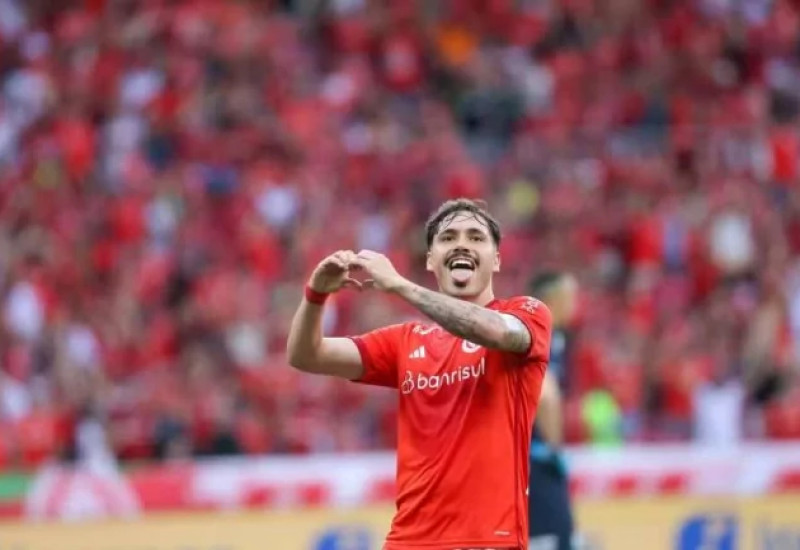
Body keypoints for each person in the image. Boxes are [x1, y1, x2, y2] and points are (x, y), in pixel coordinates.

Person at [287, 198, 552, 550]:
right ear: (431, 259)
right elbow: (307, 355)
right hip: (408, 541)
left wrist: (400, 285)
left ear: (497, 259)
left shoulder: (527, 313)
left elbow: (494, 331)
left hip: (487, 540)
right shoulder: (406, 341)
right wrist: (316, 294)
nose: (462, 243)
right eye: (449, 237)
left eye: (476, 237)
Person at [527, 272, 579, 550]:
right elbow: (546, 396)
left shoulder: (554, 337)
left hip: (527, 456)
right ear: (550, 300)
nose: (575, 304)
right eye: (569, 296)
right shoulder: (541, 336)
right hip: (535, 458)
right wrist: (553, 449)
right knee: (553, 539)